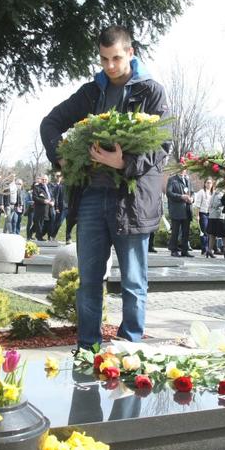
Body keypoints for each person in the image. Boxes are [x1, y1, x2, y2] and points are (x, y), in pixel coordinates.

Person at [39, 25, 169, 350]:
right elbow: (50, 123)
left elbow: (161, 145)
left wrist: (123, 163)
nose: (110, 66)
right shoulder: (90, 92)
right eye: (104, 59)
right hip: (92, 197)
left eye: (116, 58)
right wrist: (61, 158)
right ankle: (88, 348)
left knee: (133, 281)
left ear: (130, 53)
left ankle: (130, 350)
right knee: (89, 282)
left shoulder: (151, 92)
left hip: (132, 200)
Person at [166, 167, 194, 257]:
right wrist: (181, 196)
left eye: (185, 169)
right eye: (181, 168)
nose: (183, 170)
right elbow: (169, 193)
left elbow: (192, 192)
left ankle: (184, 250)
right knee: (175, 231)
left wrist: (192, 199)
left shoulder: (187, 180)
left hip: (187, 209)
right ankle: (173, 250)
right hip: (177, 209)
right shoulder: (172, 179)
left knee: (186, 231)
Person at [193, 177, 214, 255]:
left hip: (211, 214)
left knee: (210, 232)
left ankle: (209, 249)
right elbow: (197, 205)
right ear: (205, 184)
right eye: (207, 183)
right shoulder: (201, 192)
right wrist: (197, 215)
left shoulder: (212, 193)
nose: (209, 184)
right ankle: (204, 249)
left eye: (210, 183)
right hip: (203, 214)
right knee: (204, 231)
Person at [206, 185, 225, 259]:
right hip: (219, 216)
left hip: (212, 216)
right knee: (224, 235)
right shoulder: (220, 194)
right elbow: (217, 204)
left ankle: (209, 250)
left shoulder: (214, 193)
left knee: (212, 234)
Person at [31, 174, 53, 241]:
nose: (44, 181)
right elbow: (34, 197)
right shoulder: (37, 187)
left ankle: (45, 235)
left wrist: (53, 201)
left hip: (49, 208)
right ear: (41, 180)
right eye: (43, 179)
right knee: (39, 223)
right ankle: (39, 237)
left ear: (48, 180)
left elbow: (53, 196)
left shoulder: (49, 187)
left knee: (47, 224)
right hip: (40, 209)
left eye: (45, 179)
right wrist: (43, 201)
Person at [48, 171, 66, 241]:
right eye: (57, 176)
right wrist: (56, 207)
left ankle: (67, 238)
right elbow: (56, 197)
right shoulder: (58, 186)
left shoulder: (65, 186)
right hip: (60, 207)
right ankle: (52, 236)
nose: (59, 177)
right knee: (58, 222)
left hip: (67, 207)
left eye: (60, 176)